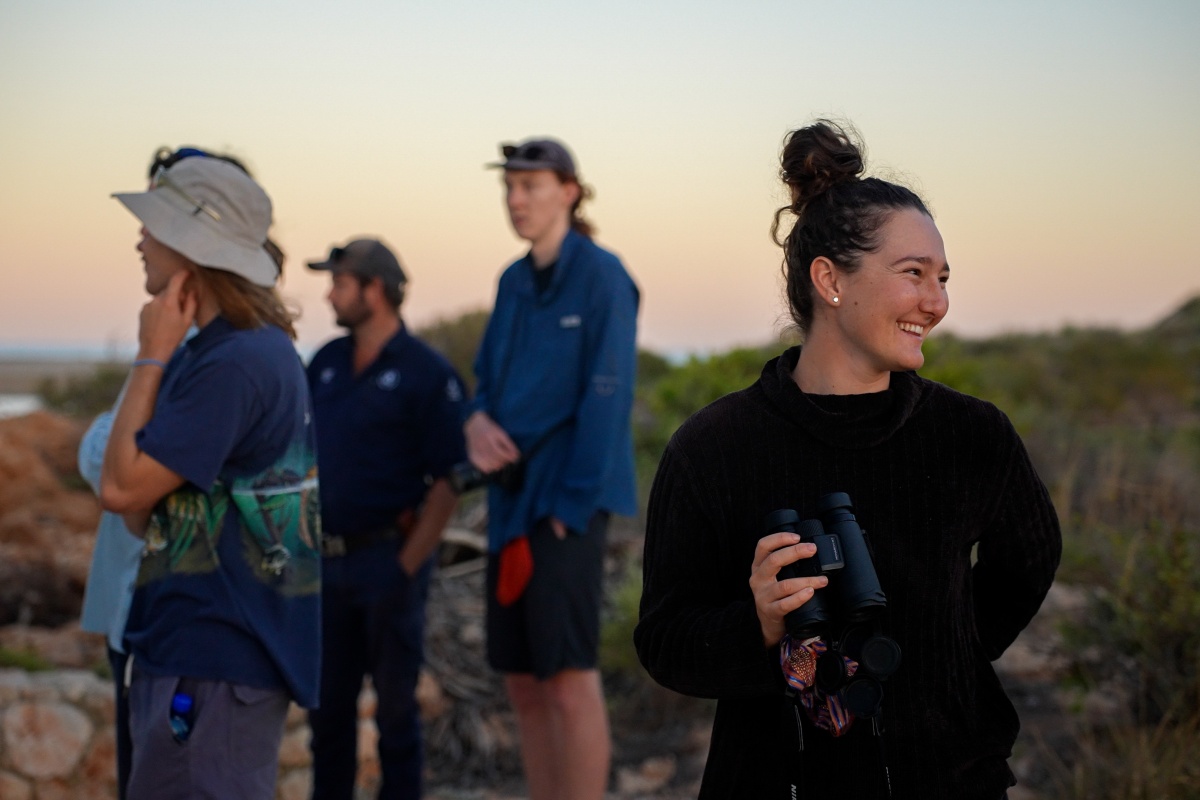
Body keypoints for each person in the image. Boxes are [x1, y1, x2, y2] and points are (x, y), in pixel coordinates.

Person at [634, 120, 1062, 799]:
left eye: (943, 277)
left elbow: (1030, 561)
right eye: (913, 274)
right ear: (830, 280)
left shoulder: (972, 435)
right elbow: (665, 642)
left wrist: (944, 658)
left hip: (951, 780)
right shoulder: (714, 448)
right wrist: (761, 625)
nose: (937, 302)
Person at [101, 154, 321, 800]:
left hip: (211, 663)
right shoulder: (239, 352)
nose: (139, 237)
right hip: (202, 658)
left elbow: (120, 491)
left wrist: (151, 353)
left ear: (191, 245)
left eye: (154, 223)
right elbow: (140, 508)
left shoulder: (234, 363)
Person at [464, 137, 639, 800]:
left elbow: (609, 394)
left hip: (566, 503)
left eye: (531, 186)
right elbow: (484, 380)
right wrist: (476, 421)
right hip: (509, 505)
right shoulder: (512, 281)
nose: (516, 200)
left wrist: (569, 510)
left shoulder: (602, 275)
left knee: (567, 677)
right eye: (509, 187)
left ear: (569, 190)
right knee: (521, 679)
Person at [304, 238, 467, 800]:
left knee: (397, 717)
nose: (329, 293)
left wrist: (405, 567)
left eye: (339, 282)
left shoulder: (428, 373)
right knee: (327, 720)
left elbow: (450, 481)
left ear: (374, 290)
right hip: (325, 568)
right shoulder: (324, 363)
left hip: (388, 566)